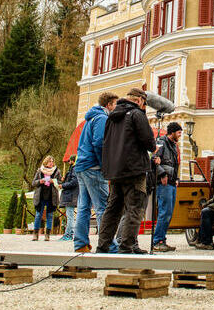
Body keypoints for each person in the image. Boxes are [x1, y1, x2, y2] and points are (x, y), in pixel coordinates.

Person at [97, 88, 156, 254]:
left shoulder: (111, 117)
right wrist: (153, 148)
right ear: (139, 100)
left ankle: (102, 246)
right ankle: (126, 247)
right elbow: (149, 142)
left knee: (113, 209)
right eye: (144, 103)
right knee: (135, 209)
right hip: (134, 169)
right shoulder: (137, 114)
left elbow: (105, 142)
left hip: (115, 170)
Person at [73, 92, 119, 253]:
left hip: (82, 166)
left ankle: (80, 243)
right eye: (115, 104)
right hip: (94, 167)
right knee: (103, 208)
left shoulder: (90, 118)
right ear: (109, 105)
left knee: (84, 207)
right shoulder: (102, 118)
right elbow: (99, 142)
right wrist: (105, 166)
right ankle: (109, 245)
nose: (116, 108)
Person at [151, 122, 183, 252]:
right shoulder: (162, 142)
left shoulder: (173, 146)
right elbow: (154, 159)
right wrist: (162, 174)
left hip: (171, 182)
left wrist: (176, 178)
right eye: (179, 132)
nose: (180, 135)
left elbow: (175, 165)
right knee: (164, 212)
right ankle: (157, 241)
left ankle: (162, 239)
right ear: (172, 132)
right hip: (163, 183)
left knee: (168, 212)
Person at [31, 156, 62, 241]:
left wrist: (54, 181)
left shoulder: (57, 171)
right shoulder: (39, 170)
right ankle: (35, 234)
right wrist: (40, 181)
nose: (51, 163)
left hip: (51, 196)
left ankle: (47, 234)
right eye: (49, 161)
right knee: (38, 215)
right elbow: (33, 183)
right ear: (45, 162)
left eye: (52, 161)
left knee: (50, 215)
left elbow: (60, 183)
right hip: (40, 196)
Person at [58, 155, 79, 241]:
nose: (68, 163)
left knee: (70, 216)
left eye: (69, 161)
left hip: (71, 195)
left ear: (72, 161)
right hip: (71, 195)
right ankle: (69, 233)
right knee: (70, 216)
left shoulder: (74, 169)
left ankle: (69, 234)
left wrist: (63, 185)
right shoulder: (72, 169)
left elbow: (74, 182)